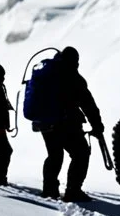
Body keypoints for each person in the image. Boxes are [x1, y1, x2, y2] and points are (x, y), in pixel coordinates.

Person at [39, 47, 104, 202]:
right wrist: (97, 125)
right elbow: (88, 104)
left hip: (45, 123)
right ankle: (73, 191)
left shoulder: (47, 74)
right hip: (67, 123)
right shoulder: (74, 77)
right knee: (80, 154)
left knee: (54, 155)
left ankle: (49, 190)